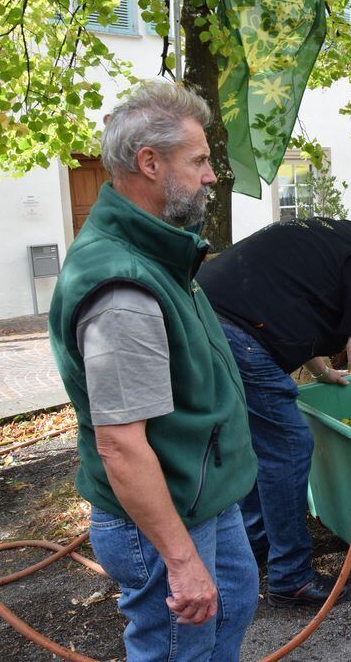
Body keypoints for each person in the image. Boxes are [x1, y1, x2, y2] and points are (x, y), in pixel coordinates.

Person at [48, 81, 259, 660]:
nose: (211, 176)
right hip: (164, 518)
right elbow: (120, 445)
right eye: (198, 161)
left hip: (202, 496)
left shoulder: (156, 250)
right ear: (149, 163)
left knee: (232, 612)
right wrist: (182, 561)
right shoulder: (124, 288)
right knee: (177, 650)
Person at [196, 217, 351, 607]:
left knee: (256, 438)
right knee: (289, 445)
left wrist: (321, 370)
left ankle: (256, 544)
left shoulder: (330, 239)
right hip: (235, 332)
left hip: (202, 317)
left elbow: (288, 304)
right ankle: (291, 576)